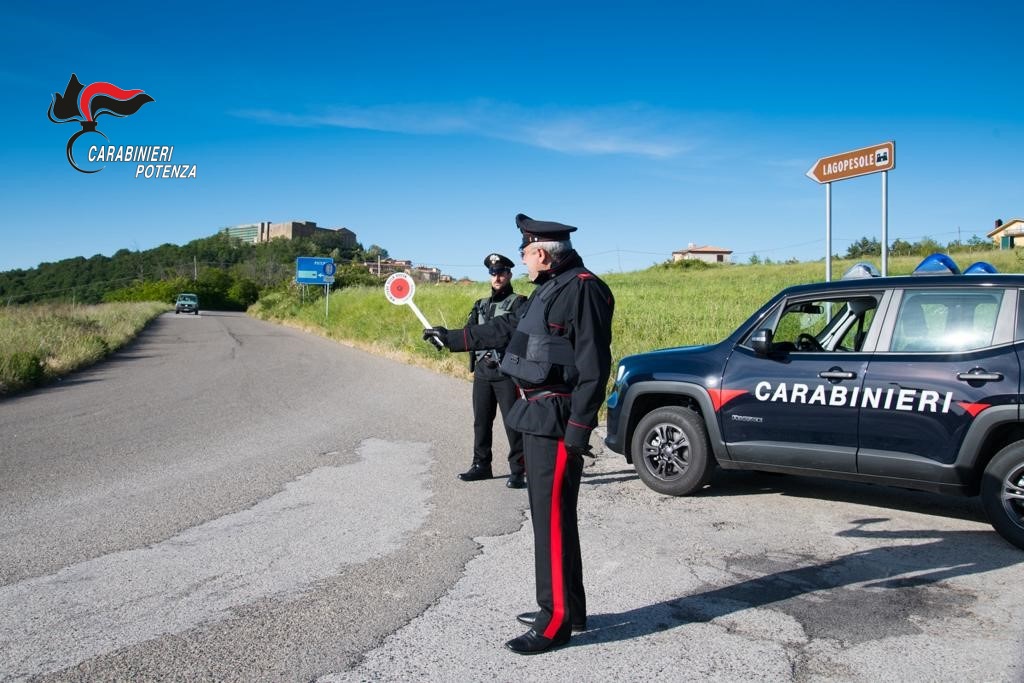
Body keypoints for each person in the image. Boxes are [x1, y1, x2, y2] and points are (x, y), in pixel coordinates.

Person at [424, 213, 615, 654]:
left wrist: (579, 430)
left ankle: (554, 621)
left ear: (543, 254)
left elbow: (592, 365)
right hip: (538, 416)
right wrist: (453, 338)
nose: (523, 259)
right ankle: (573, 609)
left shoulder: (584, 288)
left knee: (552, 522)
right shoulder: (548, 289)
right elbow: (507, 329)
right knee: (553, 521)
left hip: (558, 419)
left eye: (527, 252)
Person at [459, 253, 528, 488]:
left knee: (513, 423)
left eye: (501, 273)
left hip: (506, 373)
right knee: (481, 422)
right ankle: (481, 466)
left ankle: (518, 470)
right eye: (493, 273)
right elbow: (470, 333)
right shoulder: (480, 305)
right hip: (482, 372)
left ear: (509, 274)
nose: (497, 277)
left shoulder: (519, 302)